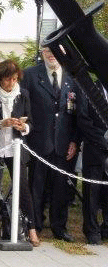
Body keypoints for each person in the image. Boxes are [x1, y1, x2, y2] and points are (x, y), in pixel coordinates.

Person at [20, 47, 79, 241]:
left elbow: (78, 114)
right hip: (38, 142)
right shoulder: (30, 74)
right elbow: (23, 108)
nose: (52, 53)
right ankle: (34, 226)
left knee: (61, 188)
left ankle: (59, 227)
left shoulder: (73, 77)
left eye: (56, 50)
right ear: (42, 52)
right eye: (47, 50)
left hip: (64, 145)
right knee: (36, 187)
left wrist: (75, 140)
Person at [0, 60, 39, 246]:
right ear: (0, 78)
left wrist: (23, 126)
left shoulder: (23, 94)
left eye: (14, 79)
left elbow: (31, 122)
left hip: (16, 147)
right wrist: (0, 124)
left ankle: (31, 228)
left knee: (22, 188)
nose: (11, 83)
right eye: (7, 79)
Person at [76, 80, 108, 244]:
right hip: (95, 150)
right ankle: (92, 231)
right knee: (91, 194)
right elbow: (83, 119)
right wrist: (103, 141)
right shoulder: (89, 87)